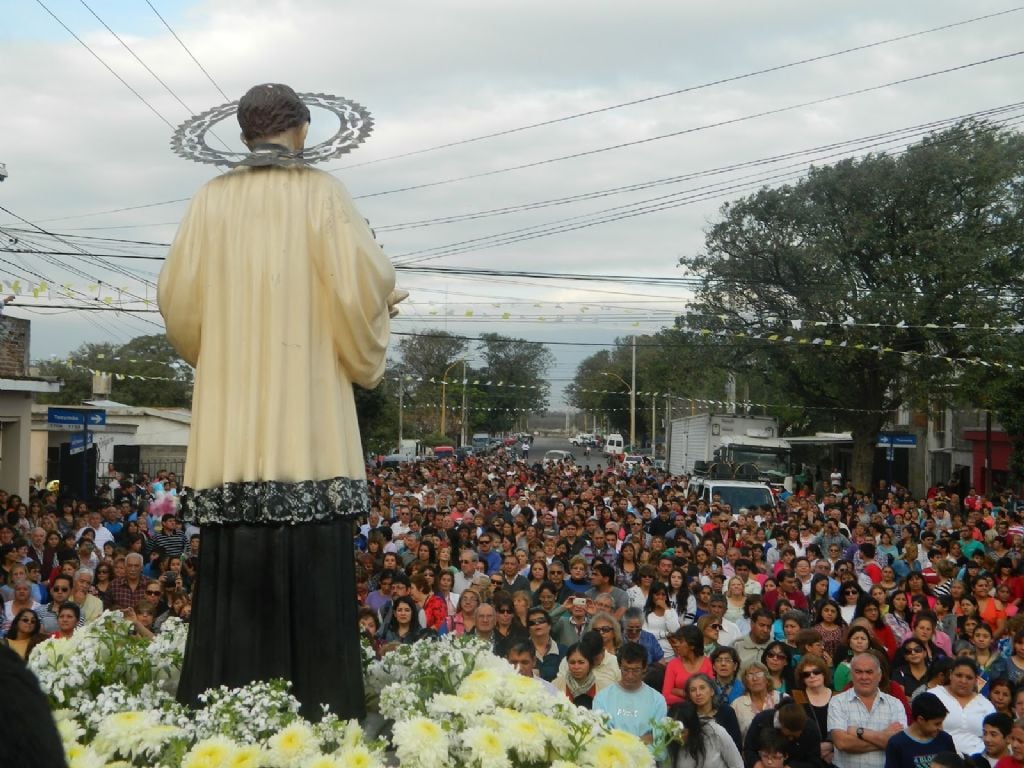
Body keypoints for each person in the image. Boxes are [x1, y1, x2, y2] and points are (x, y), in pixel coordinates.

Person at [160, 82, 403, 719]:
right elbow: (363, 284)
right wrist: (380, 305)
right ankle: (324, 707)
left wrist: (226, 355)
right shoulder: (323, 193)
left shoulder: (209, 199)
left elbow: (177, 303)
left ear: (244, 134)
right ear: (301, 129)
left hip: (233, 426)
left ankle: (223, 705)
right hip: (308, 415)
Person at [827, 652, 907, 768]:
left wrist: (860, 732)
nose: (864, 677)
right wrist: (884, 738)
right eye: (858, 672)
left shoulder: (895, 704)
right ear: (851, 675)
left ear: (879, 676)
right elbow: (842, 743)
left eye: (869, 672)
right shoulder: (837, 702)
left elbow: (899, 743)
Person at [593, 642, 667, 745]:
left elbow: (657, 738)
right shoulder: (602, 697)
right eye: (626, 669)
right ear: (619, 666)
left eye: (636, 670)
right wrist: (638, 740)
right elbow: (600, 734)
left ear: (645, 668)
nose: (630, 675)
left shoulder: (657, 700)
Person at [929, 657, 995, 756]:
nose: (963, 681)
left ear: (976, 680)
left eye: (969, 678)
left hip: (978, 759)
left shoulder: (985, 704)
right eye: (959, 675)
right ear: (950, 675)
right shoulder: (934, 696)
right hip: (941, 756)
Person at [882, 691, 955, 768]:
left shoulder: (945, 740)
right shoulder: (897, 743)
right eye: (937, 724)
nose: (941, 728)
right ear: (921, 720)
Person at [743, 700, 824, 768]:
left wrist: (792, 766)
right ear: (781, 726)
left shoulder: (811, 729)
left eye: (795, 737)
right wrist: (757, 764)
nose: (791, 739)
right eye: (790, 735)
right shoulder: (761, 720)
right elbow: (748, 749)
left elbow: (815, 762)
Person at [669, 701, 744, 768]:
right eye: (673, 732)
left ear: (692, 728)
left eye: (682, 732)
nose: (676, 736)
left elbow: (737, 765)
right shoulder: (669, 743)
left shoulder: (716, 732)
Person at [664, 625, 713, 705]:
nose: (676, 645)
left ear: (692, 645)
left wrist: (680, 692)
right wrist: (692, 701)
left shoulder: (708, 663)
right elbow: (666, 696)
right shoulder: (672, 664)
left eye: (681, 642)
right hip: (681, 710)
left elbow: (711, 693)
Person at [732, 661, 780, 740]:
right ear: (746, 682)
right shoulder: (737, 704)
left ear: (767, 679)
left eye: (759, 674)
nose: (755, 678)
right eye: (750, 675)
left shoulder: (781, 698)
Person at [552, 641, 603, 707]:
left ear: (590, 664)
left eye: (581, 662)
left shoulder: (602, 688)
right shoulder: (556, 685)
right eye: (572, 662)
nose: (576, 667)